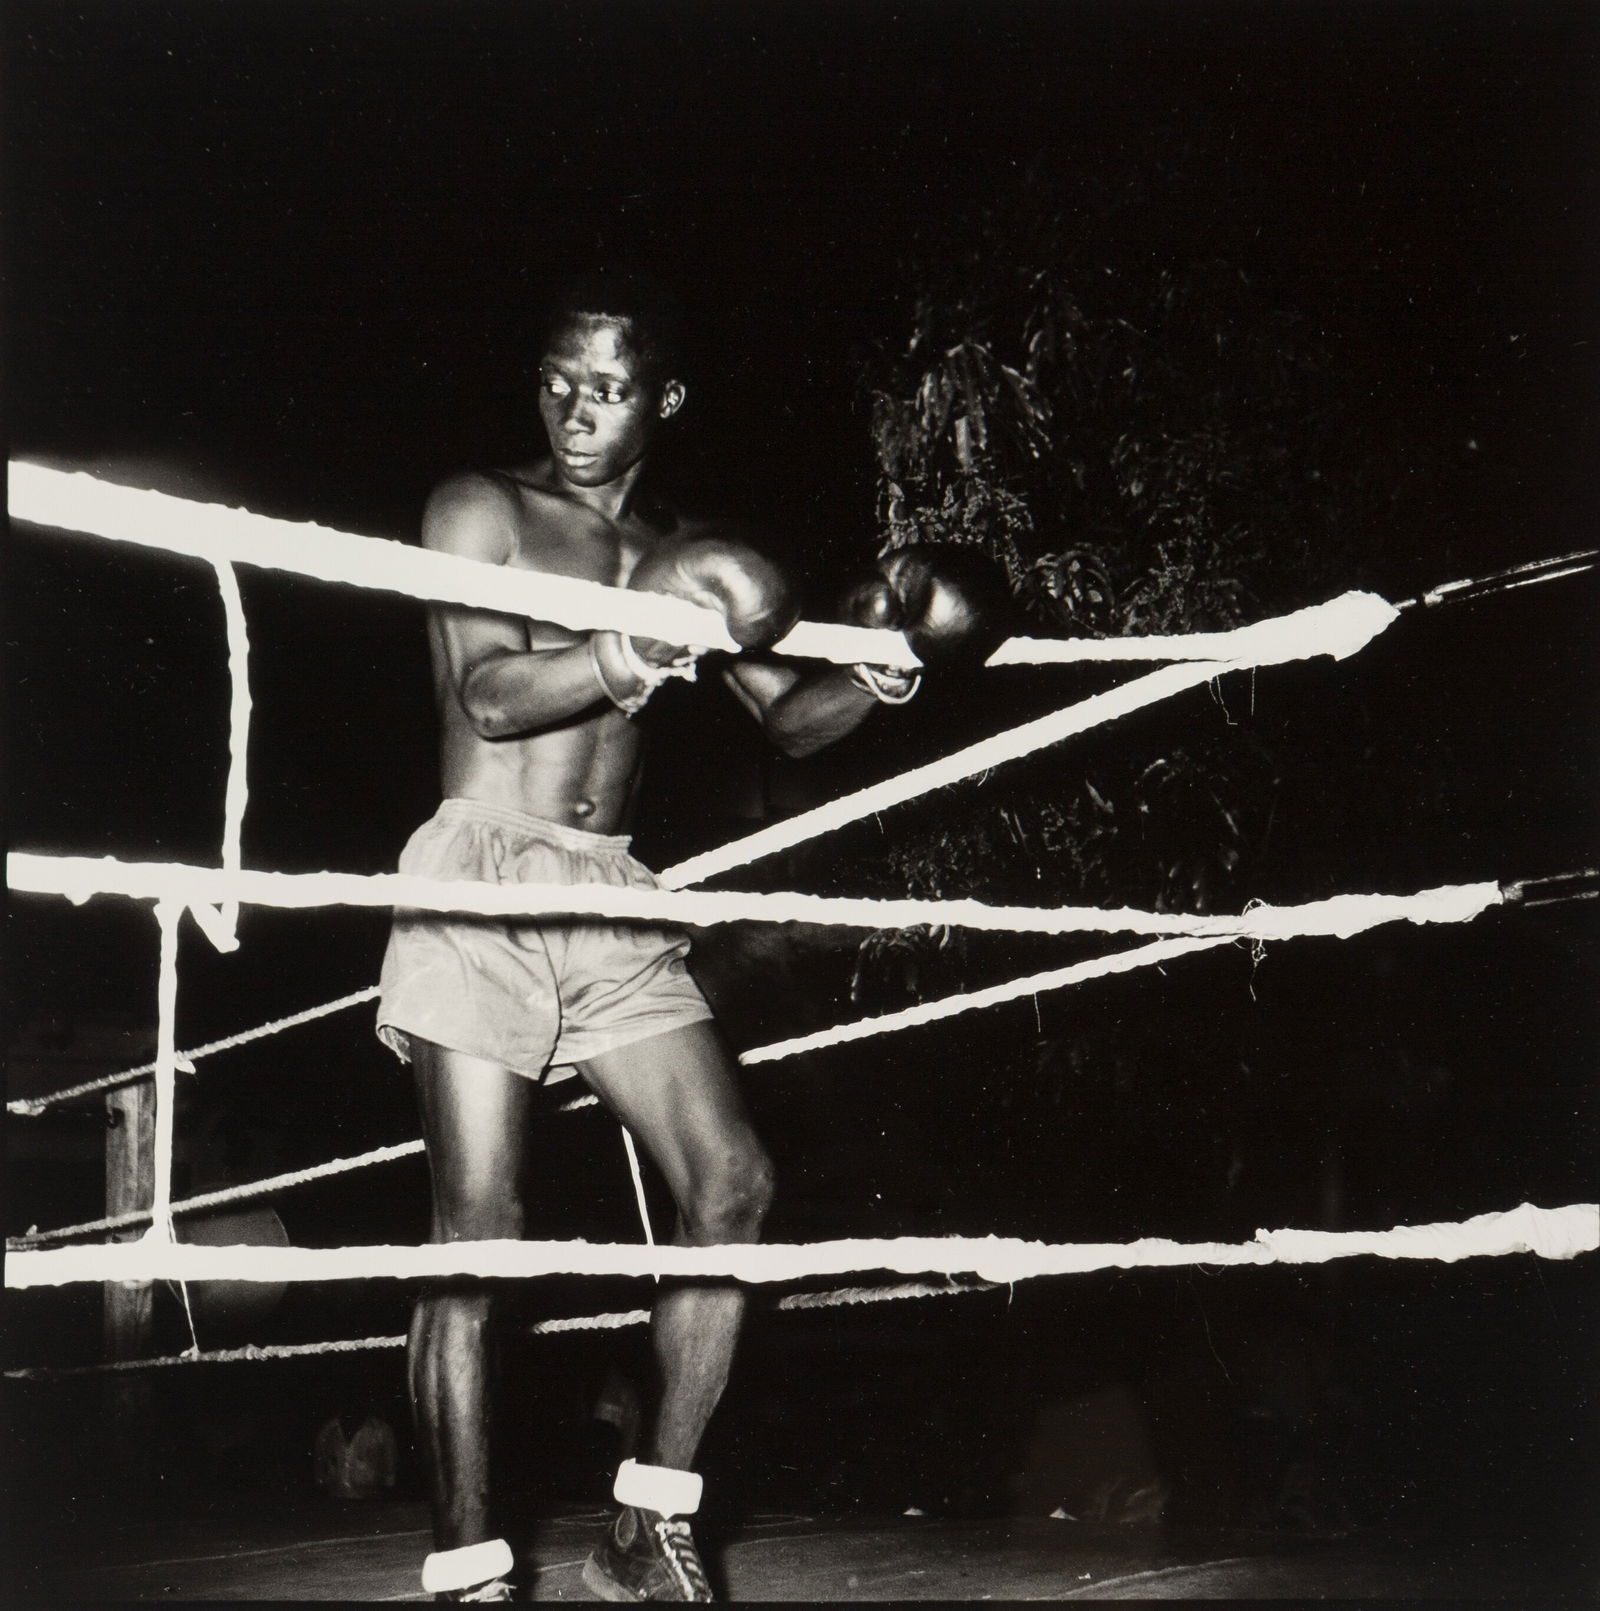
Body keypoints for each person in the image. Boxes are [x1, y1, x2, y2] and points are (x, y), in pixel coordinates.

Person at [377, 272, 1007, 1602]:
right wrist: (641, 652)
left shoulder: (680, 552)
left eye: (605, 389)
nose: (572, 410)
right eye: (555, 378)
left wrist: (879, 679)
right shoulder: (478, 507)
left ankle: (643, 1527)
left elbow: (789, 717)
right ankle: (470, 1566)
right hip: (485, 878)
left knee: (734, 1186)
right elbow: (489, 698)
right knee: (480, 1231)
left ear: (661, 400)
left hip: (611, 897)